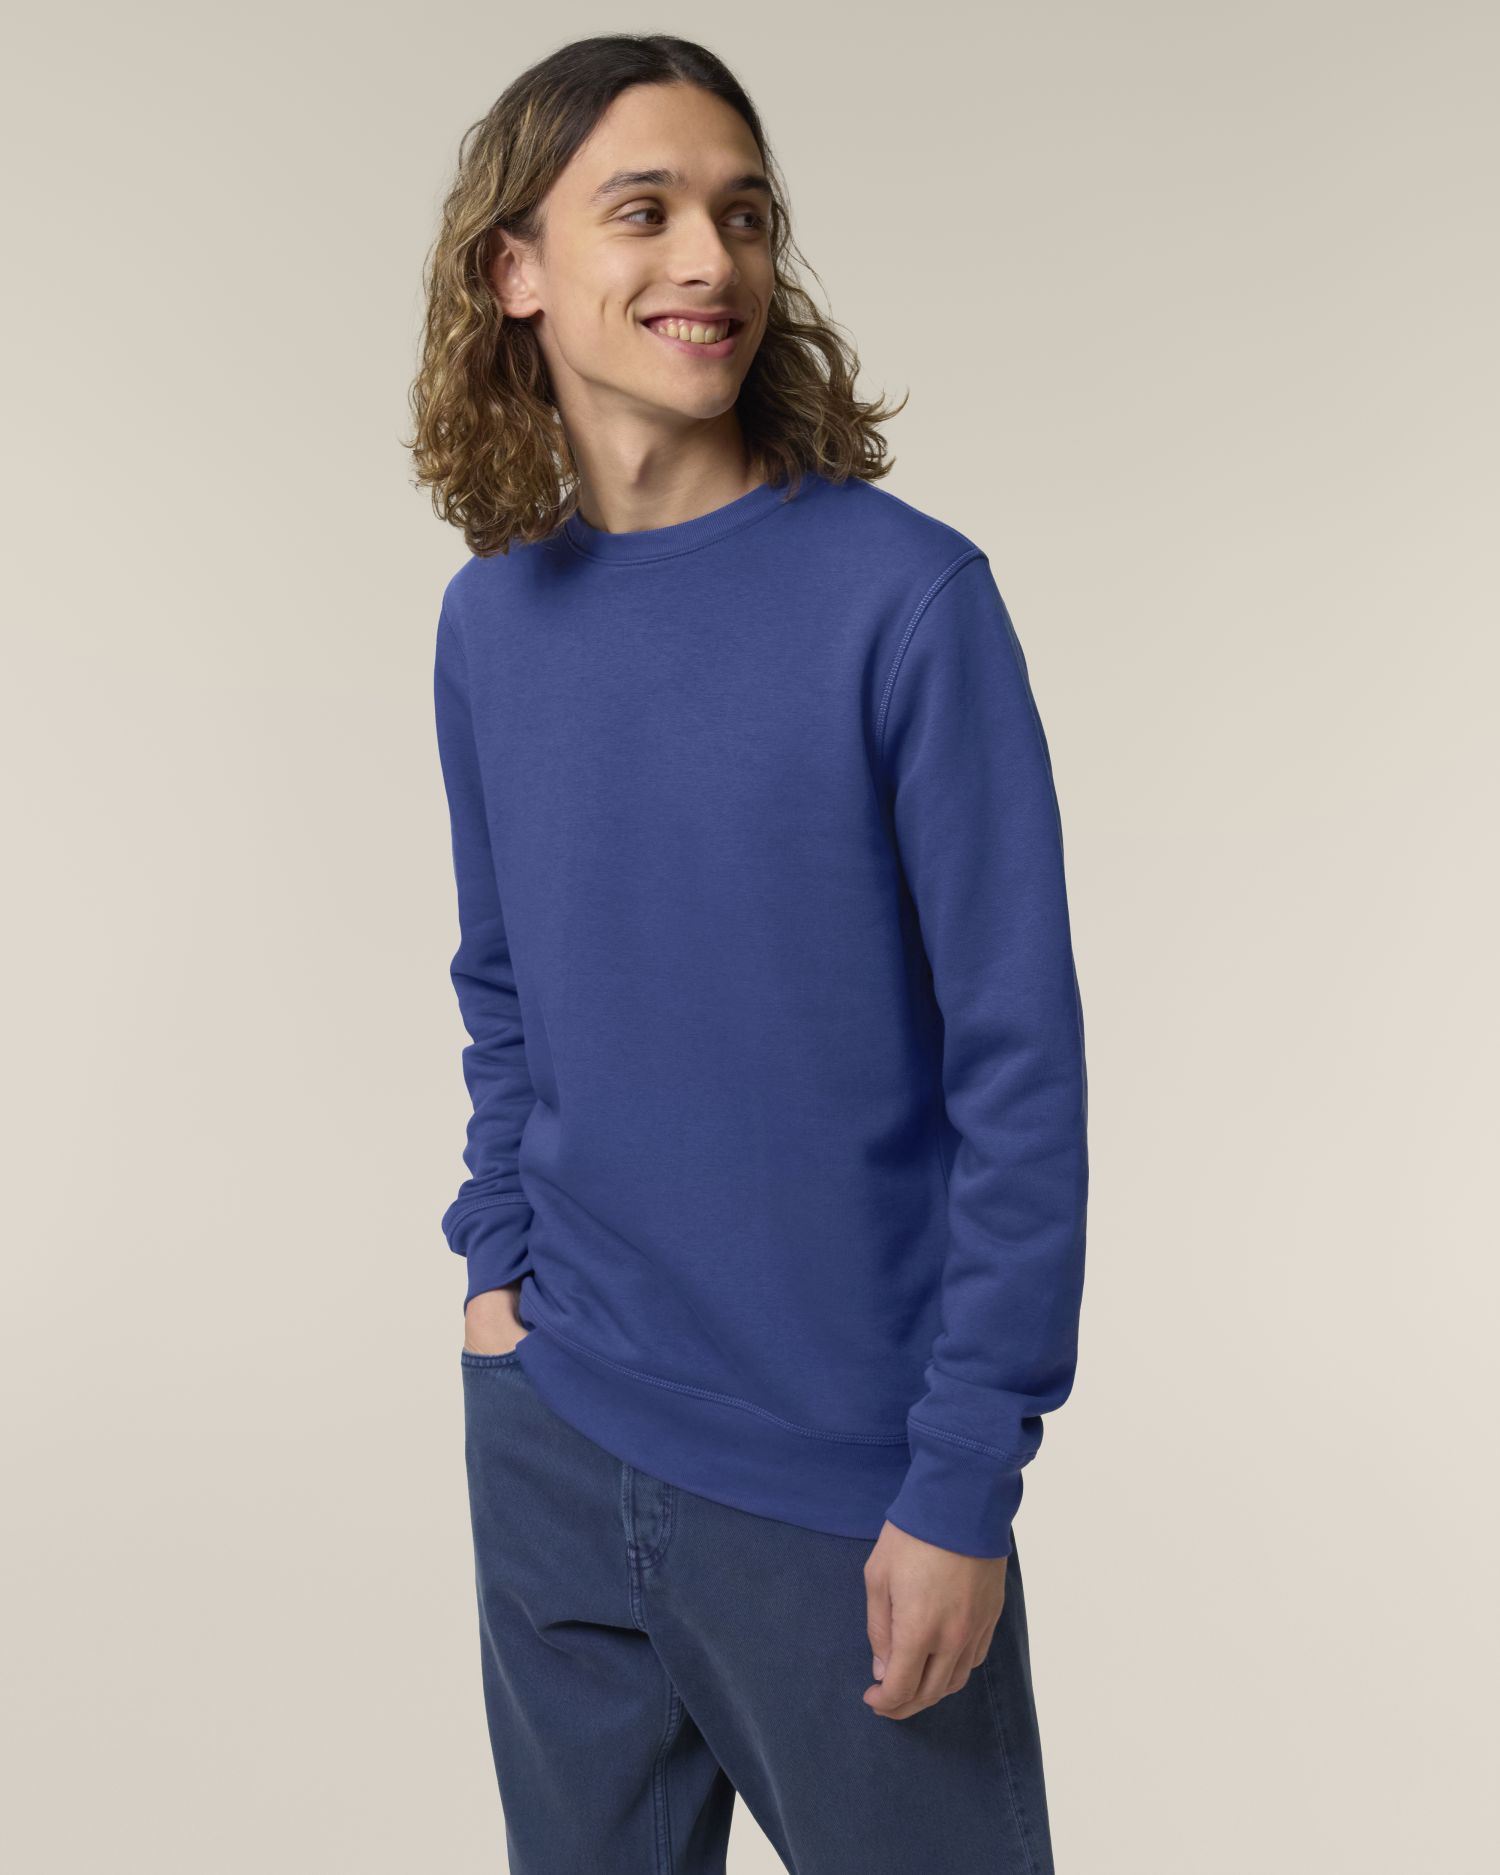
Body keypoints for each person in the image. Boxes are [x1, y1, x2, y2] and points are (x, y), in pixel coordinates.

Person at [407, 33, 1088, 1875]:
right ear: (518, 268)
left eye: (744, 213)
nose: (709, 257)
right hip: (557, 1433)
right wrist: (496, 1281)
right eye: (644, 211)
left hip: (842, 1490)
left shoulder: (907, 601)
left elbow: (1019, 1070)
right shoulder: (491, 623)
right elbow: (505, 990)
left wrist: (963, 1478)